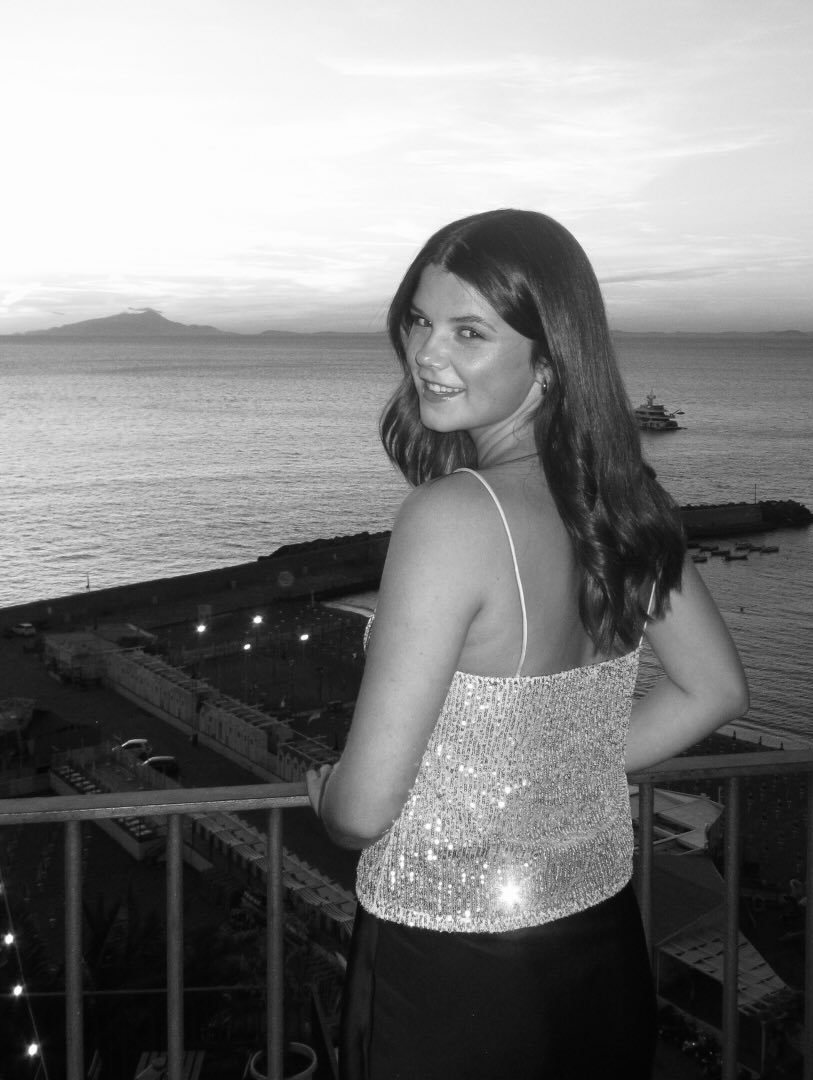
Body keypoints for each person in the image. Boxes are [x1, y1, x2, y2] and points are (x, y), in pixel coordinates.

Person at [306, 209, 748, 1078]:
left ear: (549, 362)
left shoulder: (450, 517)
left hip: (452, 974)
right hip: (598, 949)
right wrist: (548, 775)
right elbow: (714, 689)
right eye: (419, 321)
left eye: (469, 331)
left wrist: (328, 804)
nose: (427, 354)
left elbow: (363, 811)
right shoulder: (620, 503)